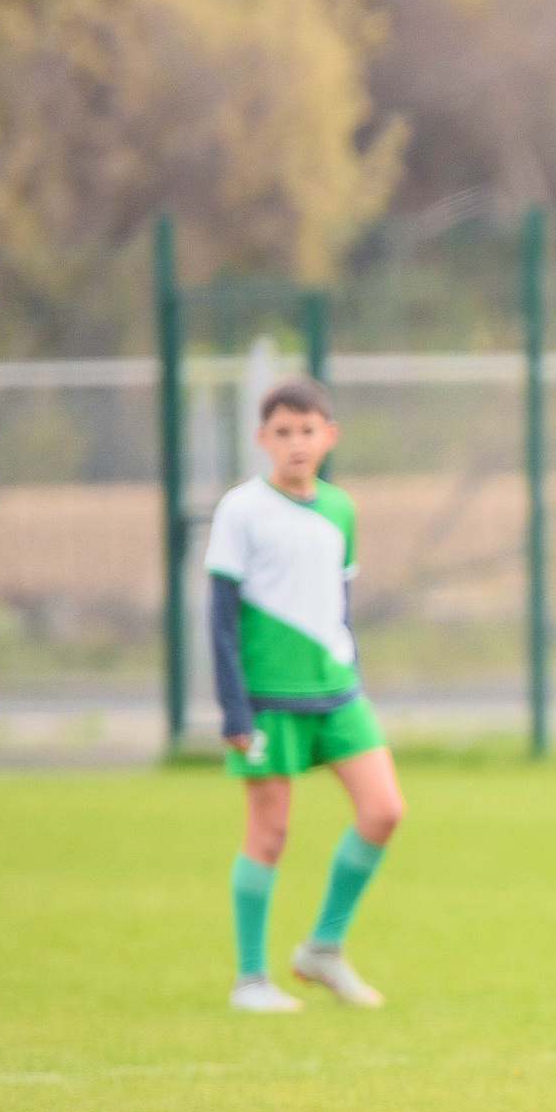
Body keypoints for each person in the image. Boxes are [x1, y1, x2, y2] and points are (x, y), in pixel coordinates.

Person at [207, 378, 405, 1014]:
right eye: (283, 432)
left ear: (329, 437)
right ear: (263, 439)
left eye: (308, 430)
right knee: (271, 832)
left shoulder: (341, 509)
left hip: (339, 691)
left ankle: (323, 948)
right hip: (268, 700)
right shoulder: (241, 509)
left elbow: (336, 601)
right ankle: (250, 980)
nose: (296, 443)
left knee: (384, 810)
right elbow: (220, 617)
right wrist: (234, 708)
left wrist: (349, 664)